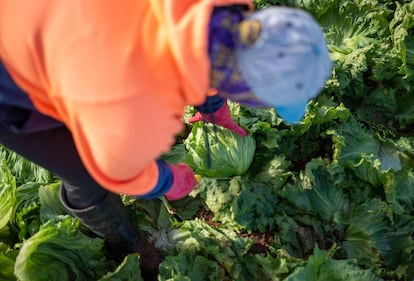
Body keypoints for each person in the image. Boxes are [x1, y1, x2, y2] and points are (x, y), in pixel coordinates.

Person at [0, 1, 332, 280]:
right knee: (80, 167)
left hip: (47, 16)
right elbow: (117, 170)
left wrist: (215, 109)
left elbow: (208, 49)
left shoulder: (227, 11)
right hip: (11, 68)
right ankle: (124, 241)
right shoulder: (140, 109)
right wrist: (167, 182)